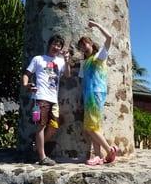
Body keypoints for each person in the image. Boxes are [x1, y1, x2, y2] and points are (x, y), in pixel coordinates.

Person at [22, 35, 71, 166]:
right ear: (49, 44)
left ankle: (36, 146)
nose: (56, 47)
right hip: (40, 97)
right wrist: (27, 85)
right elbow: (27, 74)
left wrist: (66, 61)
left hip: (53, 99)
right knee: (41, 125)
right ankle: (42, 157)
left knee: (54, 126)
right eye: (54, 44)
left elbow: (67, 75)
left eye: (59, 46)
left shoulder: (60, 61)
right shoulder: (38, 59)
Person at [78, 20, 118, 166]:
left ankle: (109, 150)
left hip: (96, 94)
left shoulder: (99, 56)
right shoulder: (84, 63)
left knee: (90, 127)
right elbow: (82, 80)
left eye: (85, 44)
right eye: (81, 46)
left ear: (91, 44)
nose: (83, 47)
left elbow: (109, 38)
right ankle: (98, 156)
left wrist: (96, 25)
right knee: (95, 127)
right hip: (88, 96)